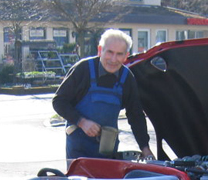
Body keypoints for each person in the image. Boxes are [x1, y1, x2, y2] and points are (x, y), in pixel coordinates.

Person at [53, 29, 154, 161]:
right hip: (78, 151)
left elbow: (135, 115)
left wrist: (145, 148)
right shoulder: (83, 69)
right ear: (100, 50)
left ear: (126, 56)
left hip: (108, 149)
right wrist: (81, 122)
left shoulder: (127, 78)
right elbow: (59, 102)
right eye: (110, 52)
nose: (113, 59)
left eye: (119, 54)